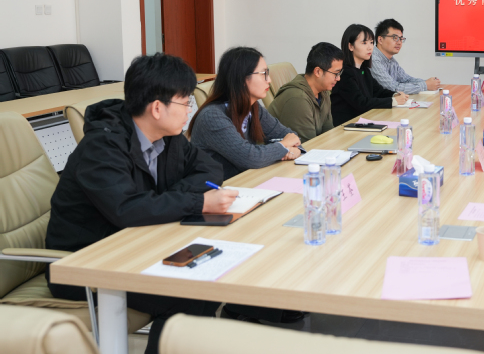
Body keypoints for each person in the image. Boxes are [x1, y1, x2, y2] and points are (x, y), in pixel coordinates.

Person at [45, 53, 236, 354]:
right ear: (157, 108)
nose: (189, 110)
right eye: (185, 102)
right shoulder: (103, 147)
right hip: (82, 263)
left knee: (207, 283)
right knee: (190, 296)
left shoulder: (168, 136)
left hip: (134, 247)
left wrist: (173, 199)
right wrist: (196, 202)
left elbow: (209, 168)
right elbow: (127, 209)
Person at [189, 47, 302, 180]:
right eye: (263, 74)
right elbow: (250, 157)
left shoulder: (253, 108)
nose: (269, 80)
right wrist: (283, 147)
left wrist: (290, 148)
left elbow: (290, 136)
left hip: (246, 181)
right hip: (217, 188)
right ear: (242, 79)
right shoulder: (212, 117)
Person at [331, 24, 409, 126]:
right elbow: (362, 103)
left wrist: (395, 95)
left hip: (363, 122)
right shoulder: (345, 73)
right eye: (364, 43)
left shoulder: (364, 70)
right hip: (346, 126)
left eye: (371, 43)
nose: (370, 47)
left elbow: (378, 91)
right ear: (351, 46)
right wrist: (393, 101)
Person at [268, 42, 344, 143]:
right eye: (336, 73)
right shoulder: (298, 98)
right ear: (317, 72)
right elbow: (307, 145)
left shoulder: (324, 93)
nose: (338, 78)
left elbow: (328, 133)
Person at [371, 18, 440, 94]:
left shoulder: (392, 61)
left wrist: (429, 82)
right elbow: (392, 88)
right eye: (395, 38)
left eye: (401, 38)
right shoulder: (373, 59)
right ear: (380, 40)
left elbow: (407, 80)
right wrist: (425, 85)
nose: (399, 42)